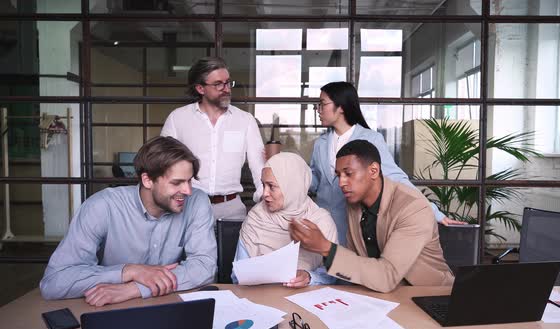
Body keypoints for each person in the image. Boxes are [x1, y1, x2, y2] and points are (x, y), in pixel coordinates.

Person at [40, 136, 217, 306]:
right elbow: (54, 282)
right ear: (147, 180)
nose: (188, 191)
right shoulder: (102, 206)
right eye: (177, 183)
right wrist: (129, 271)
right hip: (108, 309)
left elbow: (204, 267)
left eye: (189, 181)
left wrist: (136, 288)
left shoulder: (197, 202)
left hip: (164, 305)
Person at [309, 81, 464, 245]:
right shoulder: (321, 143)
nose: (318, 109)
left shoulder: (371, 139)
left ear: (340, 107)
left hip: (353, 228)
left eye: (322, 104)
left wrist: (434, 212)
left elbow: (397, 179)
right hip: (323, 227)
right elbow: (314, 181)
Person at [291, 140, 454, 293]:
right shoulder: (355, 202)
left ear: (373, 171)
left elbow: (387, 275)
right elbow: (355, 261)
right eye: (339, 175)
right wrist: (311, 276)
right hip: (380, 297)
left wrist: (325, 247)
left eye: (348, 173)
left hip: (429, 296)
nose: (341, 183)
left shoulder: (413, 207)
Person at [161, 57, 265, 221]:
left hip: (232, 208)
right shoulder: (177, 118)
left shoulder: (246, 120)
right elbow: (163, 163)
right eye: (218, 84)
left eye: (228, 82)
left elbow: (258, 165)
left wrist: (265, 198)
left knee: (232, 248)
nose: (226, 89)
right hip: (189, 205)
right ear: (200, 88)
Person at [234, 152, 338, 287]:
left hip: (307, 300)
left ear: (292, 186)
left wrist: (309, 277)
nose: (265, 193)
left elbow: (334, 274)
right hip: (261, 299)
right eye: (263, 185)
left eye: (271, 186)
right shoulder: (256, 218)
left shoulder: (321, 221)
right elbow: (237, 275)